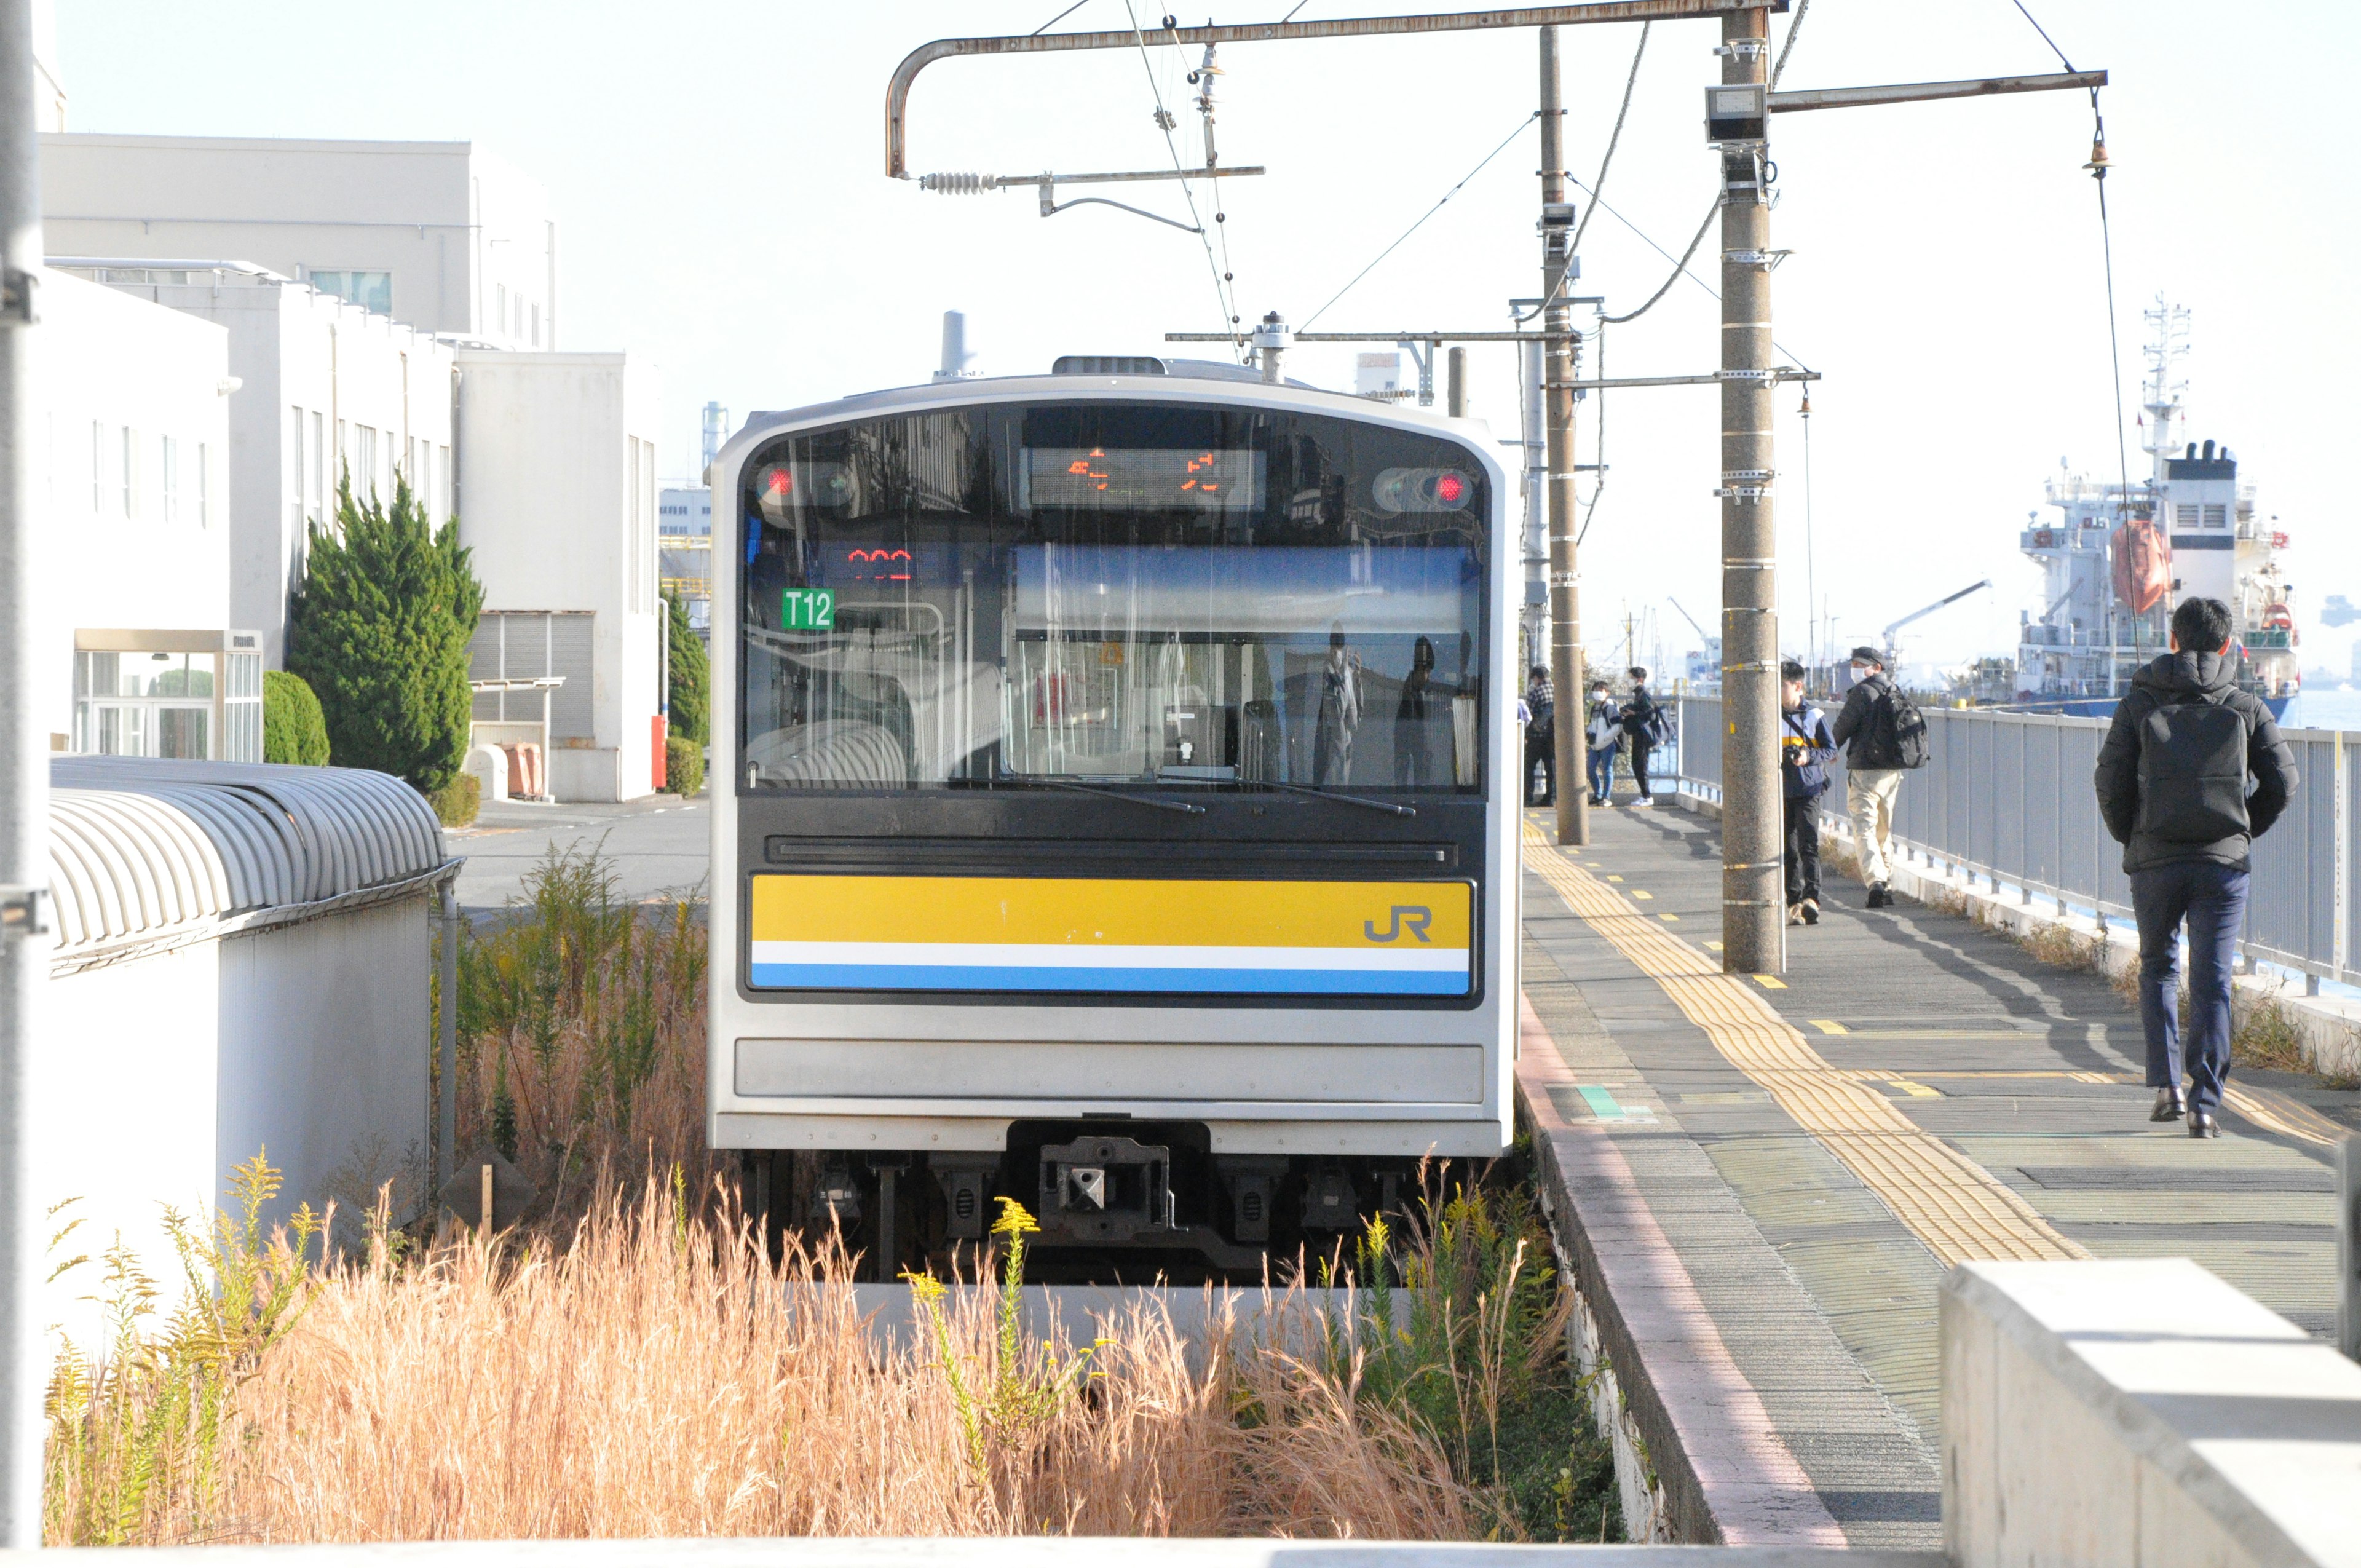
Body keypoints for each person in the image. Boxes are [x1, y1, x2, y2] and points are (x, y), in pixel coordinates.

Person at [2094, 596, 2297, 1139]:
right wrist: (2242, 828)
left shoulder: (2138, 703)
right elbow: (2284, 783)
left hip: (2155, 860)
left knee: (2159, 967)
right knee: (2212, 980)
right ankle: (2206, 1104)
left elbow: (2109, 781)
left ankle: (2167, 1086)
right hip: (2223, 866)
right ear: (2228, 644)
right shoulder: (2247, 706)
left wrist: (2133, 836)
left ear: (2173, 640)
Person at [1830, 646, 1902, 906]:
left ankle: (1876, 883)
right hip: (1892, 773)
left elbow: (1842, 727)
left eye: (1861, 664)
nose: (1856, 669)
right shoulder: (1894, 691)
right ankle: (1888, 883)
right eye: (1854, 664)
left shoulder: (1862, 693)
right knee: (1883, 830)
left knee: (1864, 828)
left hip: (1865, 772)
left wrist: (1827, 751)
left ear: (1877, 667)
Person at [1778, 660, 1837, 926]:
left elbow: (1832, 750)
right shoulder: (1769, 715)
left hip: (1809, 788)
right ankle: (1793, 903)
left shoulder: (1814, 716)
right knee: (1788, 850)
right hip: (1780, 790)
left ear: (1798, 686)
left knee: (1808, 845)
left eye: (1781, 686)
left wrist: (1808, 755)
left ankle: (1812, 899)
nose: (1776, 691)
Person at [1314, 622, 1360, 785]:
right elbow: (1336, 713)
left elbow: (1356, 718)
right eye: (1335, 646)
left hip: (1348, 740)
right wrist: (1340, 677)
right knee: (1335, 781)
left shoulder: (1348, 673)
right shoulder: (1328, 671)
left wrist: (1356, 678)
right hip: (1334, 740)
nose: (1337, 652)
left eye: (1340, 646)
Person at [1394, 635, 1436, 786]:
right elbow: (1419, 740)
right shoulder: (1412, 696)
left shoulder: (1411, 691)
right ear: (1421, 670)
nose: (1428, 678)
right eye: (1428, 672)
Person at [1620, 668, 1660, 806]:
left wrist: (1634, 714)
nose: (1628, 680)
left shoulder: (1643, 694)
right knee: (1637, 764)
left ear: (1640, 679)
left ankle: (1647, 796)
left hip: (1643, 735)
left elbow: (1651, 713)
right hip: (1639, 734)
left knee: (1640, 764)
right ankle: (1645, 795)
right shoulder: (1639, 695)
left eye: (1631, 677)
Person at [1584, 680, 1621, 806]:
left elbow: (1618, 726)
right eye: (1596, 690)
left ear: (1607, 693)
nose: (1598, 693)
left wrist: (1606, 738)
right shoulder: (1594, 708)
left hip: (1608, 744)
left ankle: (1606, 797)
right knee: (1590, 769)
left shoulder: (1610, 708)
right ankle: (1598, 794)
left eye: (1601, 690)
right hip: (1595, 745)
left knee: (1607, 770)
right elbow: (1592, 724)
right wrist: (1589, 733)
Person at [1523, 665, 1555, 806]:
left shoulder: (1536, 692)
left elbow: (1527, 712)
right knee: (1551, 767)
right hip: (1552, 736)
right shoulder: (1557, 690)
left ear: (1537, 678)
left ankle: (1528, 797)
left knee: (1529, 767)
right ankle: (1551, 798)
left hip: (1536, 736)